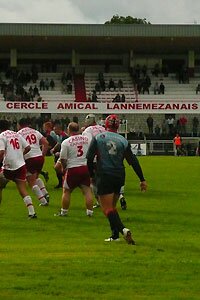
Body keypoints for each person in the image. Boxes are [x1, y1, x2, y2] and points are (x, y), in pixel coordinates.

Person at [86, 114, 147, 244]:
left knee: (106, 208)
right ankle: (114, 235)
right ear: (118, 126)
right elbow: (132, 161)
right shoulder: (123, 140)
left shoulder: (98, 137)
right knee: (113, 207)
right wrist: (142, 179)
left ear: (105, 124)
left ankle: (123, 230)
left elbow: (89, 157)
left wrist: (91, 175)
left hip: (104, 174)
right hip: (119, 175)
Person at [55, 122, 93, 217]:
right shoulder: (87, 139)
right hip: (84, 167)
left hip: (73, 168)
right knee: (87, 191)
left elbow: (63, 158)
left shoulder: (66, 142)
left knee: (67, 191)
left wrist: (64, 169)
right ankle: (89, 212)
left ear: (69, 130)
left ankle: (64, 211)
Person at [0, 120, 37, 219]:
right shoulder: (16, 134)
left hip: (8, 166)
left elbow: (1, 152)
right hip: (21, 165)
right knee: (22, 189)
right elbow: (28, 148)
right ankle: (32, 212)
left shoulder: (2, 135)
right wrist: (20, 154)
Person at [17, 118, 50, 206]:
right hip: (39, 157)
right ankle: (45, 193)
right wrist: (42, 155)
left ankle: (43, 201)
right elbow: (46, 143)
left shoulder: (19, 134)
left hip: (29, 158)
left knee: (31, 181)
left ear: (19, 125)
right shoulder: (35, 131)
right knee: (35, 177)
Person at [82, 114, 106, 208]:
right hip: (105, 158)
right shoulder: (103, 128)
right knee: (104, 180)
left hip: (95, 158)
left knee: (92, 181)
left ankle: (99, 201)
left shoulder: (87, 131)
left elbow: (88, 144)